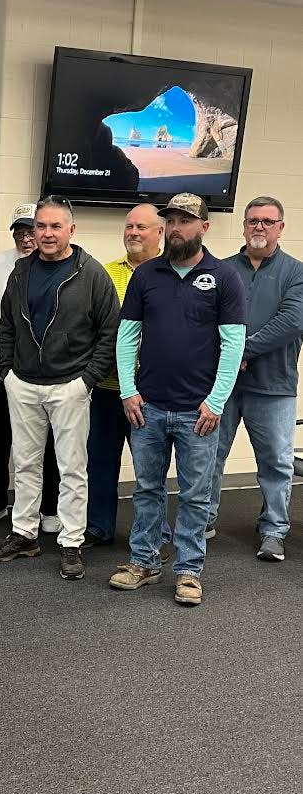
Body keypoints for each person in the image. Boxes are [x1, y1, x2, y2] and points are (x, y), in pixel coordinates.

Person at [109, 193, 246, 606]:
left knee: (194, 494)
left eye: (186, 221)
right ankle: (145, 563)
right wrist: (129, 391)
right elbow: (127, 336)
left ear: (204, 226)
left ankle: (189, 572)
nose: (176, 228)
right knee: (148, 488)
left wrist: (216, 401)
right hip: (148, 407)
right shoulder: (146, 275)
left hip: (198, 412)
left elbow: (233, 343)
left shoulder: (223, 277)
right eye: (171, 220)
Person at [0, 195, 120, 580]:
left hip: (70, 386)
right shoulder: (21, 271)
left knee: (72, 468)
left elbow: (108, 333)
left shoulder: (91, 274)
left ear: (71, 231)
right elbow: (7, 324)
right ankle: (24, 534)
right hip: (23, 383)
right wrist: (8, 369)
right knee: (25, 463)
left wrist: (87, 381)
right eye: (40, 227)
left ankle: (71, 541)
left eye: (54, 226)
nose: (45, 234)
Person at [206, 196, 303, 563]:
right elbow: (206, 319)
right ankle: (204, 519)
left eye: (267, 221)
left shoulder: (297, 272)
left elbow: (291, 322)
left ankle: (274, 530)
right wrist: (229, 358)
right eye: (252, 221)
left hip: (274, 387)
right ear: (244, 226)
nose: (259, 227)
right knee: (211, 456)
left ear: (281, 227)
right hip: (222, 386)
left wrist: (240, 351)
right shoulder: (222, 269)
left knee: (276, 462)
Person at [0, 203, 61, 532]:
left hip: (42, 375)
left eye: (32, 231)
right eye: (20, 233)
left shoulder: (62, 267)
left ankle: (49, 508)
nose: (27, 239)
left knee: (47, 445)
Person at [85, 203, 168, 547]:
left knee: (151, 472)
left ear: (160, 233)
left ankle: (156, 536)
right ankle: (98, 528)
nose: (133, 232)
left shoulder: (171, 273)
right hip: (107, 388)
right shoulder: (104, 273)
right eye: (129, 226)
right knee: (100, 462)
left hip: (150, 393)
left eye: (142, 227)